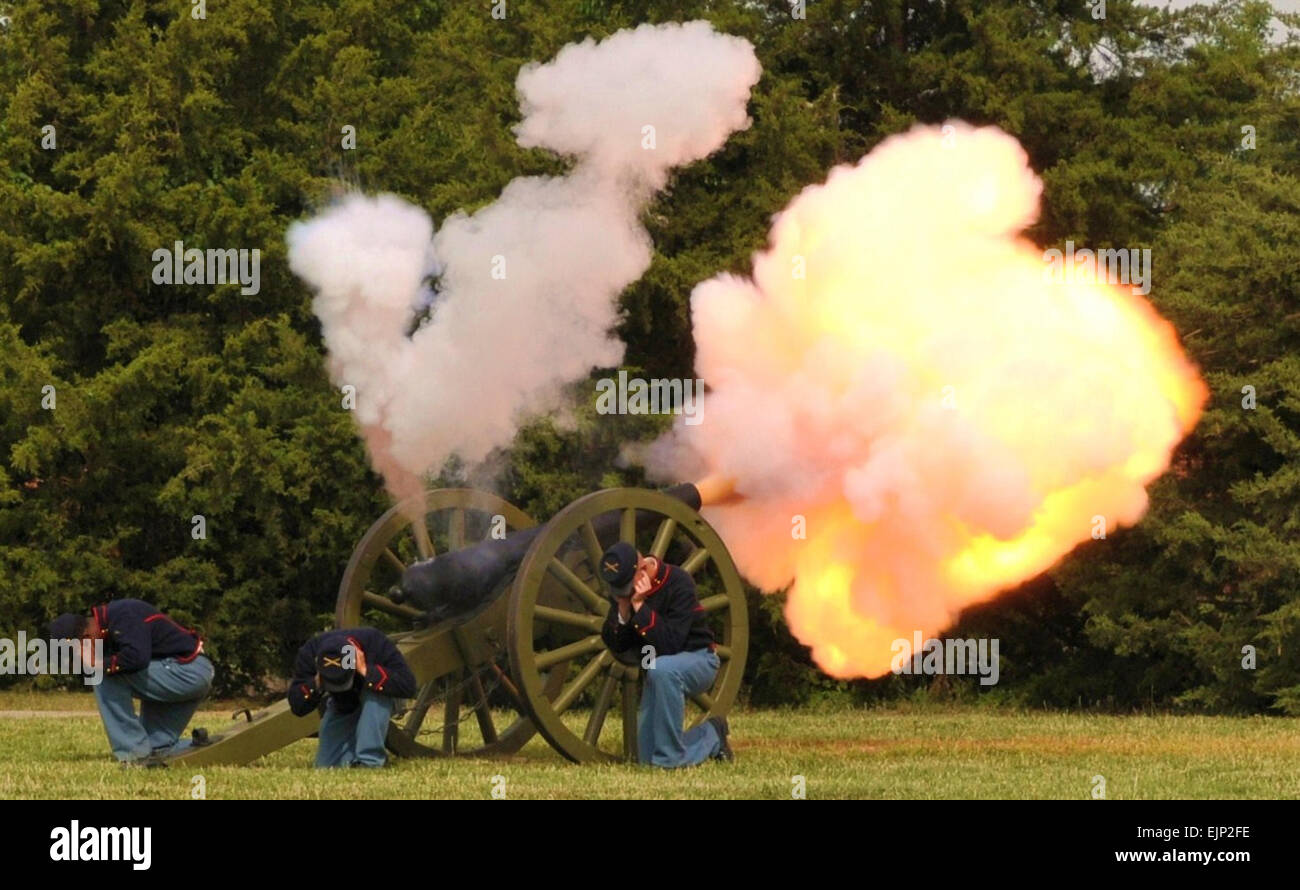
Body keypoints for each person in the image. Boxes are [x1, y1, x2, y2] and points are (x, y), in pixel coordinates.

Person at [598, 541, 734, 767]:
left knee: (661, 669)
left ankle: (669, 761)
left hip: (698, 658)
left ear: (641, 568)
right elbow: (619, 646)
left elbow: (671, 643)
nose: (626, 593)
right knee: (646, 760)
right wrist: (623, 610)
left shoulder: (678, 582)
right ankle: (711, 735)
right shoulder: (626, 588)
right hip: (656, 670)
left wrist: (640, 607)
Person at [48, 600, 214, 767]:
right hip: (181, 672)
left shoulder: (123, 615)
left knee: (104, 673)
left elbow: (137, 658)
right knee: (158, 747)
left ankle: (134, 755)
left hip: (190, 671)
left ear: (85, 637)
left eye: (76, 650)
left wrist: (98, 664)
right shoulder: (106, 629)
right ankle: (200, 743)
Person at [287, 627, 417, 768]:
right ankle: (351, 758)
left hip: (382, 698)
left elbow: (408, 685)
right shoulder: (310, 651)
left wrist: (365, 671)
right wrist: (317, 682)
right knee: (325, 766)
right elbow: (297, 706)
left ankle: (370, 761)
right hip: (343, 702)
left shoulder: (374, 641)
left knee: (374, 694)